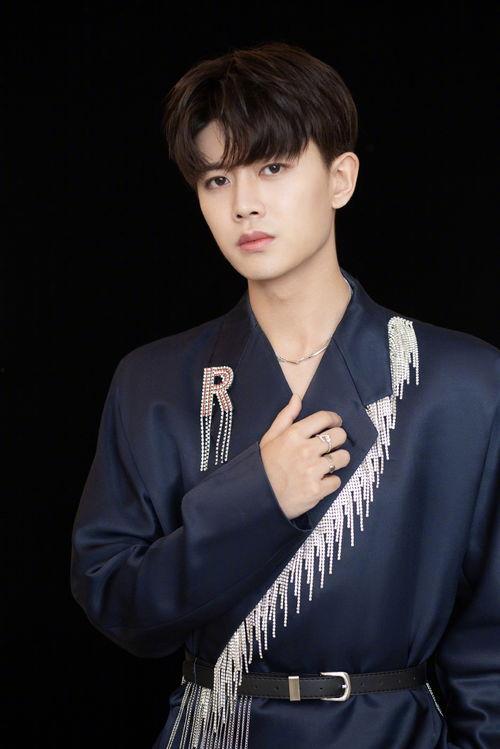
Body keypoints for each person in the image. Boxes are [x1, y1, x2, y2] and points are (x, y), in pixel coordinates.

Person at [70, 41, 500, 749]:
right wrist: (257, 499)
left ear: (341, 178)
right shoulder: (153, 383)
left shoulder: (463, 382)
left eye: (272, 167)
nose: (244, 204)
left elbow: (490, 643)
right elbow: (120, 606)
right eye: (216, 179)